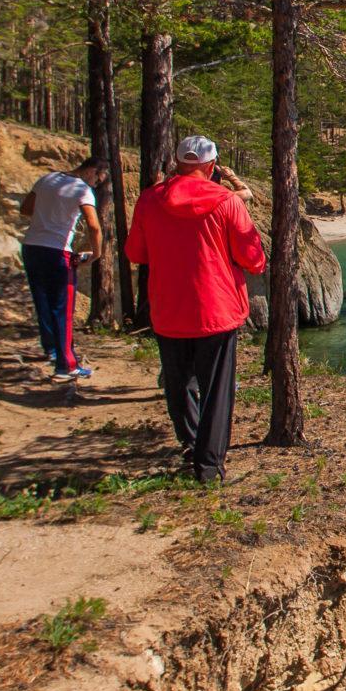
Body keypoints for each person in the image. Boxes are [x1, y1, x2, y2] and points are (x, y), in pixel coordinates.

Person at [125, 135, 266, 483]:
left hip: (169, 308)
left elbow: (135, 254)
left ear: (177, 163)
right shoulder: (227, 202)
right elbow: (254, 259)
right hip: (216, 309)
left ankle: (190, 444)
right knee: (216, 390)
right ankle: (208, 467)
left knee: (179, 383)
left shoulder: (149, 201)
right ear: (212, 167)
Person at [21, 154, 105, 381]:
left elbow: (26, 209)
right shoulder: (82, 189)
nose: (96, 184)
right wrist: (96, 254)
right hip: (58, 251)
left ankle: (51, 350)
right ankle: (66, 365)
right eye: (99, 180)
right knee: (63, 308)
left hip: (31, 247)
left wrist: (47, 215)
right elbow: (93, 226)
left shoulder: (47, 179)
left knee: (43, 303)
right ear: (93, 171)